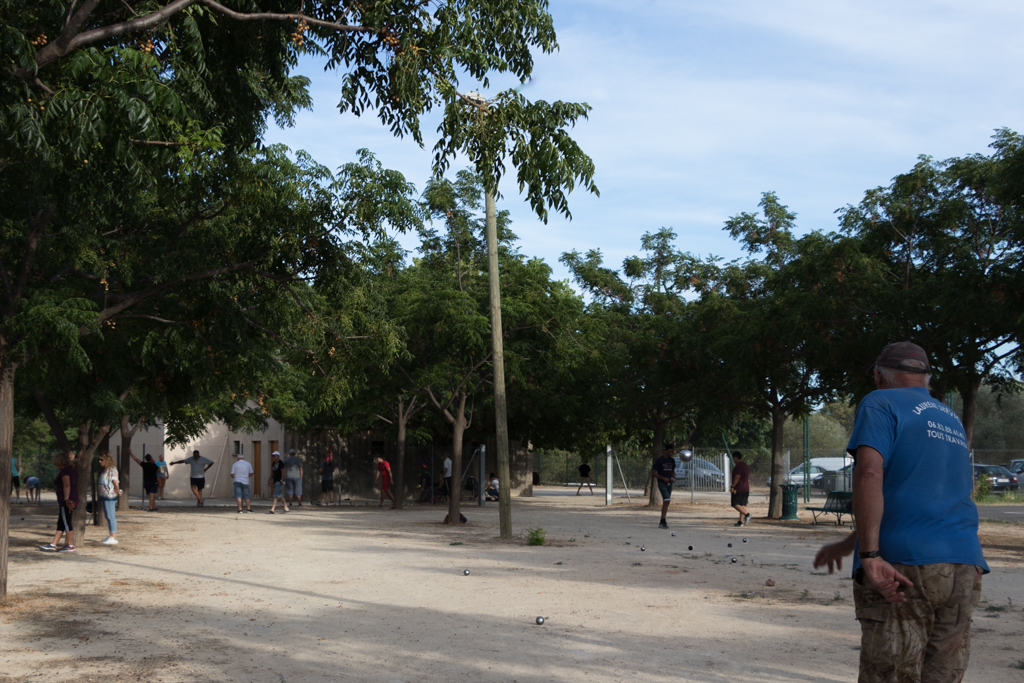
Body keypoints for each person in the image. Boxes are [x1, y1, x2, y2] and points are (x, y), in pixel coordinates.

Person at [813, 341, 988, 683]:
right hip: (964, 566)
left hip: (904, 565)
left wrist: (871, 555)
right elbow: (918, 498)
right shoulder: (950, 419)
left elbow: (869, 474)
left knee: (891, 673)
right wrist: (849, 544)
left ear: (879, 376)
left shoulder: (880, 402)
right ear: (926, 378)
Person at [39, 452, 77, 552]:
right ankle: (53, 544)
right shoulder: (71, 469)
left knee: (67, 523)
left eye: (56, 463)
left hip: (67, 501)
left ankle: (70, 545)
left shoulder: (65, 471)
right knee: (61, 523)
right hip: (69, 500)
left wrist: (66, 500)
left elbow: (67, 485)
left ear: (61, 462)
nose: (55, 465)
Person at [97, 452, 121, 545]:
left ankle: (114, 537)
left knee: (111, 516)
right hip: (104, 495)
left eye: (101, 460)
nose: (100, 461)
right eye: (99, 460)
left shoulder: (112, 469)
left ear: (107, 460)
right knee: (107, 516)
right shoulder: (105, 470)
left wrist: (117, 490)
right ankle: (111, 535)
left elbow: (115, 482)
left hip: (109, 496)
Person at [651, 443, 676, 529]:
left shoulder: (672, 460)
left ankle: (662, 520)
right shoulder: (660, 460)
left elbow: (673, 471)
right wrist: (662, 478)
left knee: (667, 502)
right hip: (662, 482)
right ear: (665, 450)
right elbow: (653, 472)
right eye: (669, 451)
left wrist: (673, 478)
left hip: (669, 483)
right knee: (667, 499)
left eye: (672, 451)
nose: (671, 453)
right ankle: (663, 520)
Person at [730, 451, 750, 527]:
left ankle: (747, 514)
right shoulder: (745, 465)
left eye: (733, 458)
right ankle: (741, 522)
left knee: (734, 503)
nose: (733, 460)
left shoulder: (738, 466)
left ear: (735, 457)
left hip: (739, 488)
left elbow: (737, 476)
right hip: (746, 488)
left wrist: (733, 486)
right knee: (742, 504)